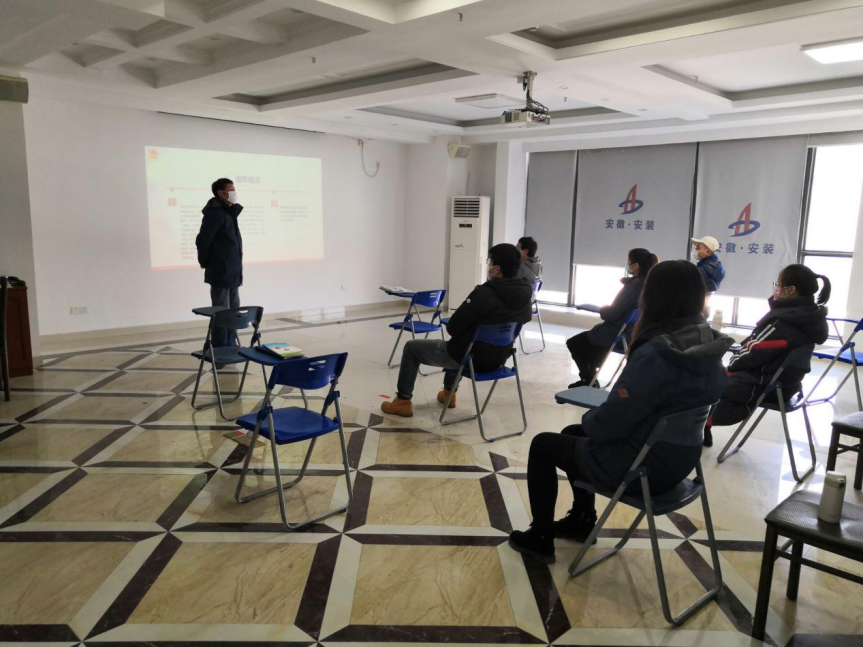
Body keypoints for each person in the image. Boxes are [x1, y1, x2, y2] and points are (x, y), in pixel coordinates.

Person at [508, 260, 733, 564]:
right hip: (680, 463)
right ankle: (582, 520)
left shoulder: (657, 353)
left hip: (643, 469)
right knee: (571, 434)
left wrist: (590, 419)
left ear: (654, 297)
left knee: (543, 444)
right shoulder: (709, 344)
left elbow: (609, 424)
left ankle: (540, 537)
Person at [381, 243, 533, 418]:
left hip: (471, 359)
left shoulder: (484, 293)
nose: (488, 265)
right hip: (499, 358)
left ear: (497, 269)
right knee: (464, 344)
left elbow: (453, 327)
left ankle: (402, 401)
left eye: (490, 262)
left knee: (412, 347)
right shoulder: (525, 295)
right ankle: (449, 393)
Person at [703, 265, 830, 447]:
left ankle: (694, 428)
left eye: (778, 284)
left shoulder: (783, 321)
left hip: (763, 385)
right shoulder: (812, 317)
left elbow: (753, 353)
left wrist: (730, 366)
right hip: (787, 384)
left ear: (790, 290)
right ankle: (703, 428)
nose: (776, 288)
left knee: (702, 384)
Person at [565, 248, 658, 388]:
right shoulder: (649, 286)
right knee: (585, 344)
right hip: (634, 335)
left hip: (616, 335)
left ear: (635, 266)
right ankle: (590, 379)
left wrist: (604, 309)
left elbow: (611, 314)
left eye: (628, 262)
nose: (627, 264)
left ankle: (588, 380)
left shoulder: (632, 287)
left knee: (574, 343)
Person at [196, 178, 243, 347]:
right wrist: (204, 261)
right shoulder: (215, 213)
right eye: (231, 190)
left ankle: (231, 345)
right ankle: (220, 347)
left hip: (233, 270)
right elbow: (203, 240)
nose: (234, 193)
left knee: (234, 311)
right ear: (221, 193)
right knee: (222, 312)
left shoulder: (229, 211)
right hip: (221, 270)